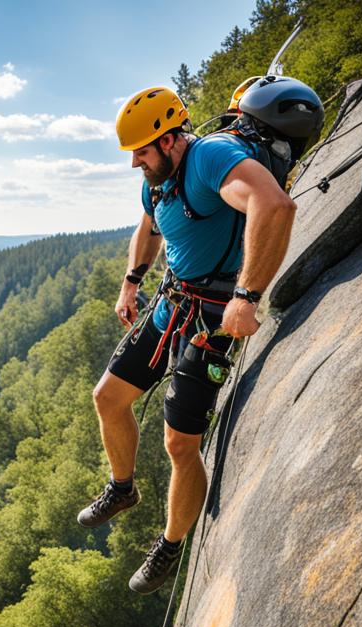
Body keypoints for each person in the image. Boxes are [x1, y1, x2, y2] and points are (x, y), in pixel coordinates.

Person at [77, 85, 301, 594]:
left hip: (213, 319)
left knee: (180, 444)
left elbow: (274, 205)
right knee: (108, 397)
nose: (135, 162)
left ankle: (170, 545)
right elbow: (151, 228)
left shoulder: (209, 159)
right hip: (170, 303)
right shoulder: (158, 179)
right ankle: (122, 488)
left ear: (172, 139)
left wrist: (247, 296)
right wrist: (131, 282)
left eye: (141, 150)